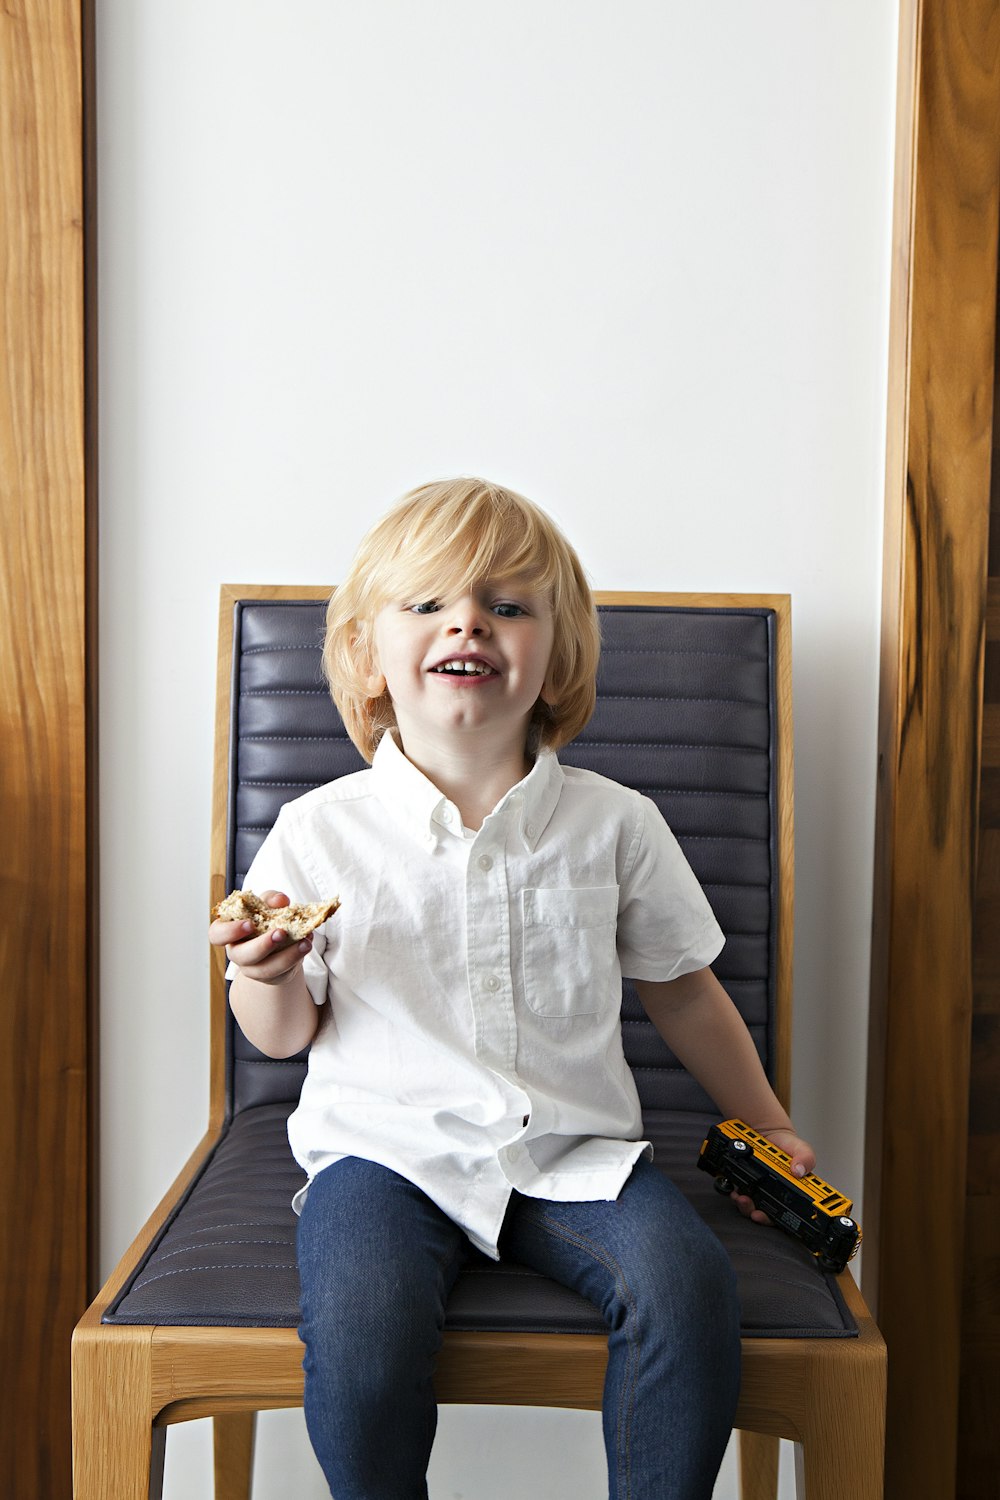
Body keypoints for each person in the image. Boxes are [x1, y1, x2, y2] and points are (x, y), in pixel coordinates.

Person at [210, 477, 815, 1500]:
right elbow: (280, 1036)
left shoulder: (615, 823)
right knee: (363, 1322)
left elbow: (683, 992)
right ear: (366, 653)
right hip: (383, 1153)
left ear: (557, 653)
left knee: (685, 1287)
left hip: (571, 1153)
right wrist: (258, 972)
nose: (468, 623)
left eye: (506, 604)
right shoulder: (319, 830)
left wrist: (766, 1126)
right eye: (429, 603)